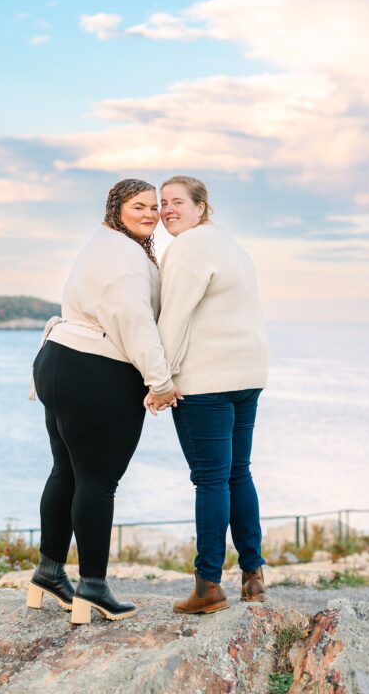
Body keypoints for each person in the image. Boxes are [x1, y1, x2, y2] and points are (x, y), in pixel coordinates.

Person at [28, 178, 180, 625]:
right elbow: (134, 325)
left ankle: (50, 573)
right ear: (117, 207)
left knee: (67, 473)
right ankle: (92, 587)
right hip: (93, 370)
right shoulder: (126, 260)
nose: (150, 214)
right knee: (97, 481)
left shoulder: (104, 241)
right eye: (139, 206)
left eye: (154, 207)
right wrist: (161, 382)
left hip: (57, 360)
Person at [147, 175, 269, 614]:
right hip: (247, 375)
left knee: (211, 480)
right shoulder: (230, 245)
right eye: (163, 203)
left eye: (177, 201)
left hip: (207, 383)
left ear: (202, 207)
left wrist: (157, 381)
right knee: (239, 473)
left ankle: (208, 586)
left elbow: (173, 319)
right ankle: (253, 578)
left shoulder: (189, 248)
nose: (167, 210)